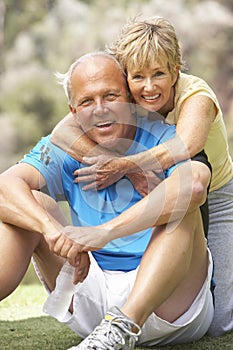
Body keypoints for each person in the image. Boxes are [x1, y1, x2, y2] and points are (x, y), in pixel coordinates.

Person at [0, 52, 213, 349]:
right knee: (29, 203)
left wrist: (102, 233)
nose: (100, 110)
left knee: (180, 209)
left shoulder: (165, 138)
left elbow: (194, 188)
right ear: (73, 111)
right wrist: (53, 231)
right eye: (87, 102)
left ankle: (125, 323)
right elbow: (5, 187)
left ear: (129, 98)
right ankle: (109, 329)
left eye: (110, 96)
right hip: (90, 296)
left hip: (170, 307)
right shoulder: (64, 147)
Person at [51, 16, 233, 337]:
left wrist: (126, 165)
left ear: (176, 70)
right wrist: (107, 158)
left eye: (159, 74)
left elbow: (185, 145)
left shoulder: (196, 95)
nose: (149, 87)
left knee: (221, 323)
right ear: (128, 77)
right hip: (164, 184)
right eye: (139, 77)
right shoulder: (130, 93)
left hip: (215, 194)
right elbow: (62, 130)